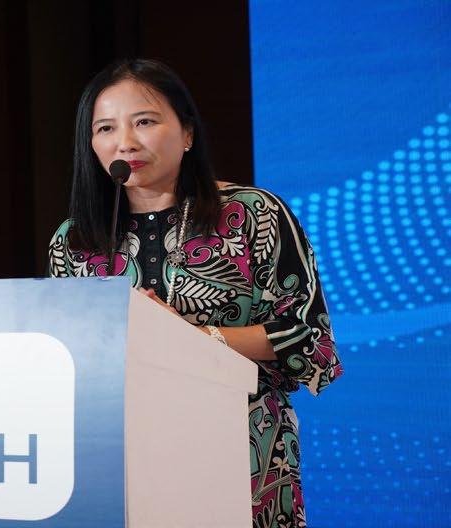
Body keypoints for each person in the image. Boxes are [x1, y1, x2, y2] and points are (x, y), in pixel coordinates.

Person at [46, 58, 343, 528]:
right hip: (123, 458)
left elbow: (308, 339)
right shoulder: (75, 241)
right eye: (105, 128)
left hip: (242, 451)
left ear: (186, 133)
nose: (125, 141)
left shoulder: (252, 214)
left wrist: (190, 337)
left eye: (144, 121)